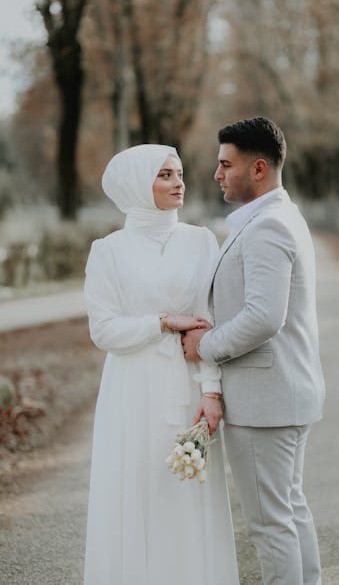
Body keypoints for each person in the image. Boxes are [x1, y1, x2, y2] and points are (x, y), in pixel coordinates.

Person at [83, 144, 239, 585]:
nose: (179, 182)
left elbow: (211, 319)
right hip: (131, 390)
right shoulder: (108, 251)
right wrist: (164, 322)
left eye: (180, 173)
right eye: (165, 175)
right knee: (136, 494)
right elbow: (104, 331)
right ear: (137, 185)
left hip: (186, 384)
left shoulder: (201, 241)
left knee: (188, 494)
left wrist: (211, 392)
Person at [182, 117, 325, 585]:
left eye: (226, 164)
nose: (217, 174)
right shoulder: (279, 217)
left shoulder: (267, 227)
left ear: (258, 168)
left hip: (266, 401)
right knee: (290, 512)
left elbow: (265, 316)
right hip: (283, 395)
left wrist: (207, 346)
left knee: (269, 526)